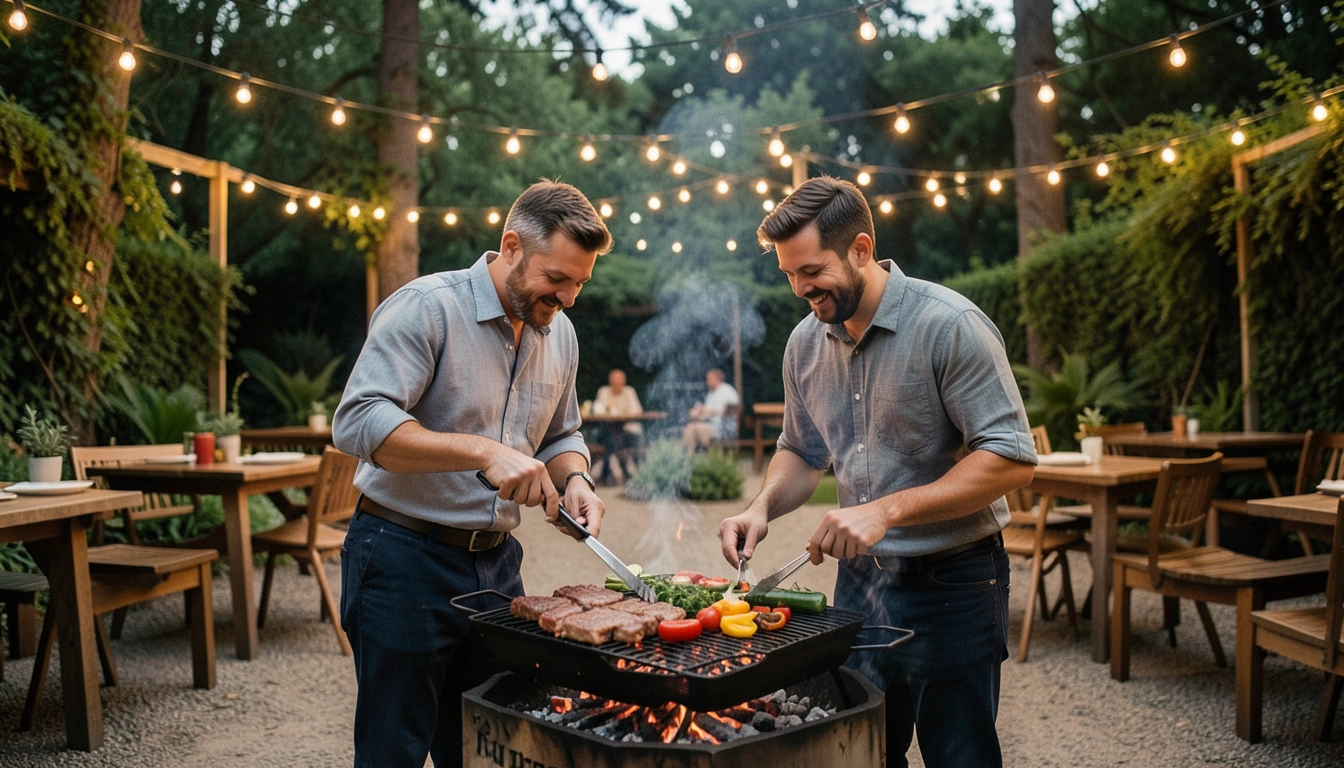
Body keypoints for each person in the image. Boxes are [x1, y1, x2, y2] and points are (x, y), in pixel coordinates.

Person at [717, 177, 1036, 768]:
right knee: (861, 750)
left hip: (956, 580)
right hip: (861, 583)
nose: (798, 288)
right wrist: (759, 507)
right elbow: (801, 452)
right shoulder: (803, 345)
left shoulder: (949, 325)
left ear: (860, 248)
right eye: (788, 274)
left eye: (810, 270)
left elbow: (1011, 458)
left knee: (959, 755)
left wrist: (885, 510)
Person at [332, 180, 612, 768]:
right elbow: (359, 420)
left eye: (579, 282)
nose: (568, 297)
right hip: (401, 556)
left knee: (492, 747)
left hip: (496, 566)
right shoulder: (428, 306)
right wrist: (483, 452)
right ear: (512, 245)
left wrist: (577, 481)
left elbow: (563, 433)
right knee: (393, 751)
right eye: (557, 279)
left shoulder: (559, 332)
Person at [590, 368, 644, 484]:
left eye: (619, 382)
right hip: (606, 427)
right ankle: (616, 469)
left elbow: (638, 410)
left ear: (624, 382)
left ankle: (621, 466)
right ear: (610, 382)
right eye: (614, 382)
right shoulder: (603, 391)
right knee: (606, 435)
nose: (617, 384)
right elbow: (598, 410)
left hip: (627, 428)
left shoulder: (629, 391)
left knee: (632, 434)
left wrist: (621, 411)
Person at [680, 368, 740, 450]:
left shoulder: (726, 391)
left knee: (692, 429)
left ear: (717, 379)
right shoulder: (711, 393)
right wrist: (698, 413)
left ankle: (685, 457)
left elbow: (721, 413)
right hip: (713, 426)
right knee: (690, 427)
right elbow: (708, 413)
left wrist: (703, 411)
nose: (707, 382)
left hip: (723, 430)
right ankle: (687, 456)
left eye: (709, 379)